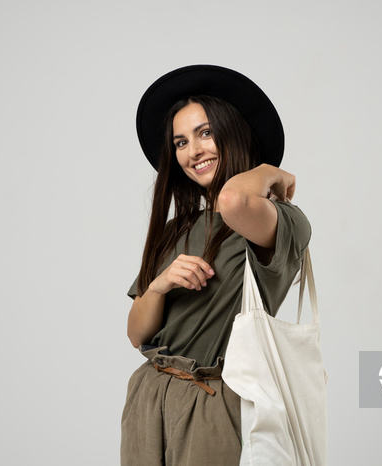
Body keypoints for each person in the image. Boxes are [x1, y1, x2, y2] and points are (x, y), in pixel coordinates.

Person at [121, 65, 311, 466]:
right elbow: (137, 334)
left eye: (206, 133)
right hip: (149, 394)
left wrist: (267, 170)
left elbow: (234, 202)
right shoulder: (177, 229)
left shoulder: (280, 221)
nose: (193, 151)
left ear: (234, 133)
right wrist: (158, 286)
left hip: (214, 399)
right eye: (181, 141)